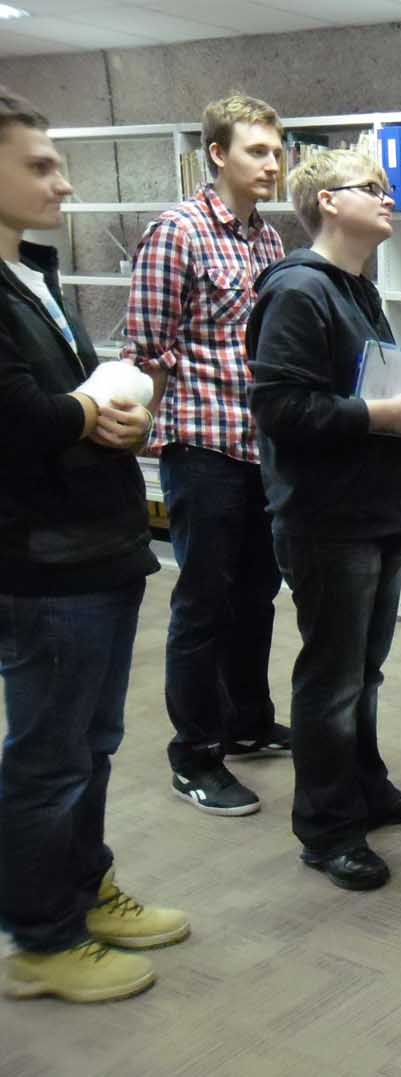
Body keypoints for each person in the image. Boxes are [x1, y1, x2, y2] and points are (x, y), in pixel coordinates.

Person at [1, 86, 189, 1004]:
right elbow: (18, 417)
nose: (64, 183)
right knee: (49, 758)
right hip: (45, 564)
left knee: (93, 743)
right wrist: (87, 407)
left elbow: (63, 407)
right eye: (40, 165)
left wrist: (111, 414)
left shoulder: (31, 274)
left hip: (99, 549)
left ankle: (83, 887)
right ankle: (42, 939)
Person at [247, 149, 401, 891]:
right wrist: (378, 415)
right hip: (328, 519)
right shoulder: (299, 289)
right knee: (331, 679)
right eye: (372, 188)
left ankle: (366, 787)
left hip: (376, 509)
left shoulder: (355, 288)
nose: (388, 199)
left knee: (364, 671)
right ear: (327, 201)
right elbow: (279, 408)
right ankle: (327, 828)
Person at [125, 94, 290, 817]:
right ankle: (194, 755)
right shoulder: (178, 232)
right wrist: (135, 440)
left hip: (260, 448)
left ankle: (246, 721)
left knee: (257, 594)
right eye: (257, 150)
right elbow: (147, 350)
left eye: (277, 152)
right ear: (217, 154)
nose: (272, 164)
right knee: (203, 603)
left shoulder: (268, 240)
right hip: (202, 446)